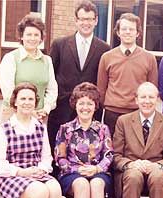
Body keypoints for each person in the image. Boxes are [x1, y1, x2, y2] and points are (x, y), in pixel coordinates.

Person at [0, 13, 58, 198]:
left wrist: (45, 107)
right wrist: (24, 110)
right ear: (21, 36)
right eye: (28, 34)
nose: (32, 38)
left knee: (30, 158)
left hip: (40, 115)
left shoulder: (47, 60)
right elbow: (7, 90)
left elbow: (52, 88)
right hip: (15, 113)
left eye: (37, 35)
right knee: (13, 158)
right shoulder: (10, 58)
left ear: (41, 38)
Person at [97, 12, 158, 198]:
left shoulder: (148, 58)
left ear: (138, 32)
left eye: (131, 29)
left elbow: (152, 88)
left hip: (138, 116)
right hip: (113, 115)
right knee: (114, 163)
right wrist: (111, 107)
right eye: (123, 29)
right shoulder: (107, 57)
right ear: (117, 32)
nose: (127, 32)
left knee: (134, 164)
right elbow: (101, 90)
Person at [47, 0, 110, 176]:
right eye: (82, 19)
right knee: (59, 155)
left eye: (90, 19)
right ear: (76, 20)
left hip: (89, 110)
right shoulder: (60, 44)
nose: (86, 23)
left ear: (96, 20)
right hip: (62, 109)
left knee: (86, 156)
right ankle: (55, 197)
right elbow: (51, 76)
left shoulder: (104, 48)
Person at [55, 82, 113, 198]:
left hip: (98, 173)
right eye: (81, 103)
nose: (85, 107)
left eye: (89, 103)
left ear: (96, 106)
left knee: (95, 185)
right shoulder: (65, 129)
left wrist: (97, 169)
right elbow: (60, 157)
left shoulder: (103, 129)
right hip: (72, 174)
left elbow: (109, 154)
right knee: (81, 184)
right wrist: (78, 170)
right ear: (75, 105)